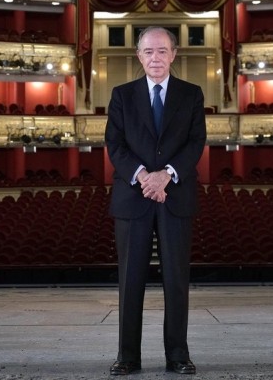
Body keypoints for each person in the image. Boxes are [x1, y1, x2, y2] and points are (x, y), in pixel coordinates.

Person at [104, 26, 207, 376]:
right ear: (139, 56)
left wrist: (166, 175)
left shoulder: (192, 94)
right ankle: (127, 356)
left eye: (162, 51)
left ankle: (178, 355)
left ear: (174, 54)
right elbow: (115, 145)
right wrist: (145, 177)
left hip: (175, 195)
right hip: (133, 197)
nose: (156, 58)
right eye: (148, 52)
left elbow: (195, 144)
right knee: (130, 281)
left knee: (176, 281)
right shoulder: (121, 95)